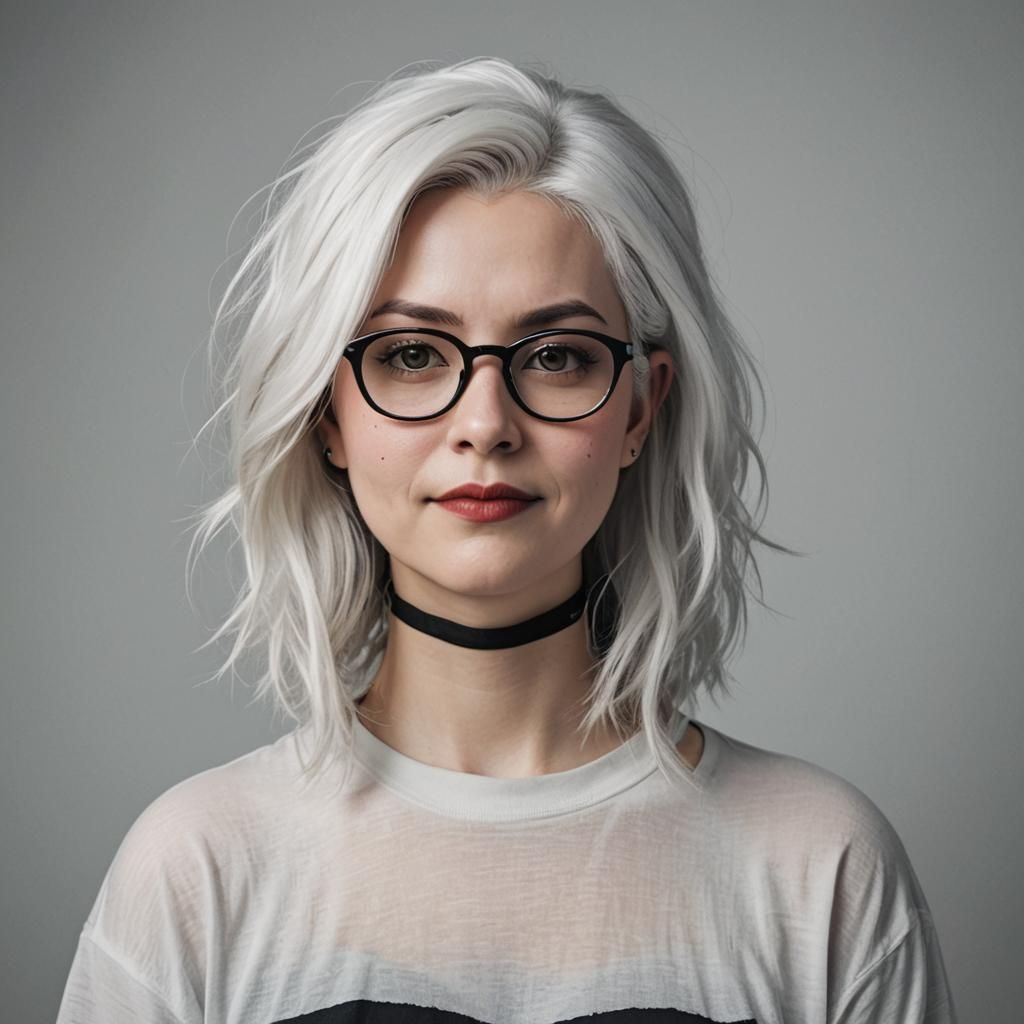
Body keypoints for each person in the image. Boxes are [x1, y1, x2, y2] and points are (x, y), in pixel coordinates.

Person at [56, 57, 957, 1023]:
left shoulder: (823, 871)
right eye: (411, 354)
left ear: (643, 408)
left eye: (558, 356)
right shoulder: (194, 873)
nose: (484, 423)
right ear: (327, 412)